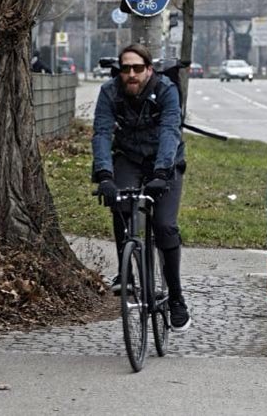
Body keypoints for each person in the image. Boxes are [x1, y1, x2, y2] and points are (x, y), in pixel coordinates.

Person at [90, 43, 190, 331]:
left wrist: (162, 172)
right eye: (126, 69)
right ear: (119, 71)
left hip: (164, 161)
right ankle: (127, 274)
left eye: (137, 68)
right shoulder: (110, 92)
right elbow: (101, 133)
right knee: (120, 205)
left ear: (148, 69)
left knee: (165, 226)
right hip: (129, 157)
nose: (131, 74)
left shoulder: (166, 90)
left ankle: (176, 298)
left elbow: (170, 130)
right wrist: (104, 176)